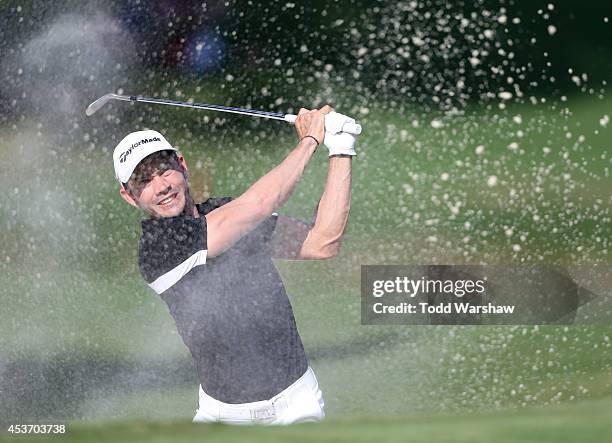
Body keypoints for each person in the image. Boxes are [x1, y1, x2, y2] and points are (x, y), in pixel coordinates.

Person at [112, 106, 357, 425]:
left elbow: (323, 241)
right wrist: (311, 138)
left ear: (182, 166)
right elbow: (257, 205)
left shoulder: (226, 211)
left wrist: (341, 147)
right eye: (144, 181)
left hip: (297, 405)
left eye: (164, 169)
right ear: (129, 197)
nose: (161, 186)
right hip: (222, 418)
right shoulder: (157, 248)